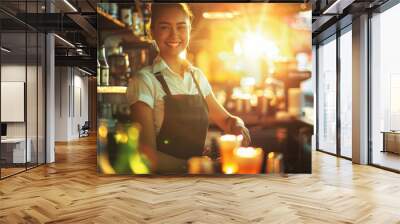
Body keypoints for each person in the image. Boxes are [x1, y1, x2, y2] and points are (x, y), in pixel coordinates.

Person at [127, 3, 251, 173]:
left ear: (189, 30)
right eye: (165, 27)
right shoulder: (144, 81)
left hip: (198, 182)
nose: (174, 35)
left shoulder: (197, 76)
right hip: (162, 188)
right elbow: (146, 156)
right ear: (152, 31)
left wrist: (238, 125)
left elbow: (227, 121)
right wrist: (197, 166)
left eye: (181, 27)